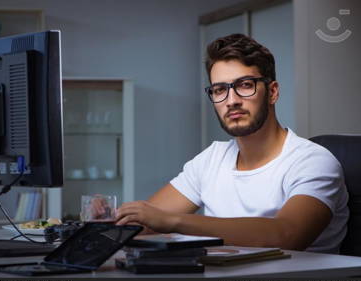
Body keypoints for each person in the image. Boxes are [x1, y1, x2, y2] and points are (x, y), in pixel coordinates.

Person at [115, 34, 349, 253]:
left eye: (245, 85)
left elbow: (287, 235)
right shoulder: (212, 159)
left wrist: (172, 222)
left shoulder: (312, 161)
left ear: (273, 92)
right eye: (219, 90)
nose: (232, 101)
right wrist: (105, 220)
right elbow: (143, 223)